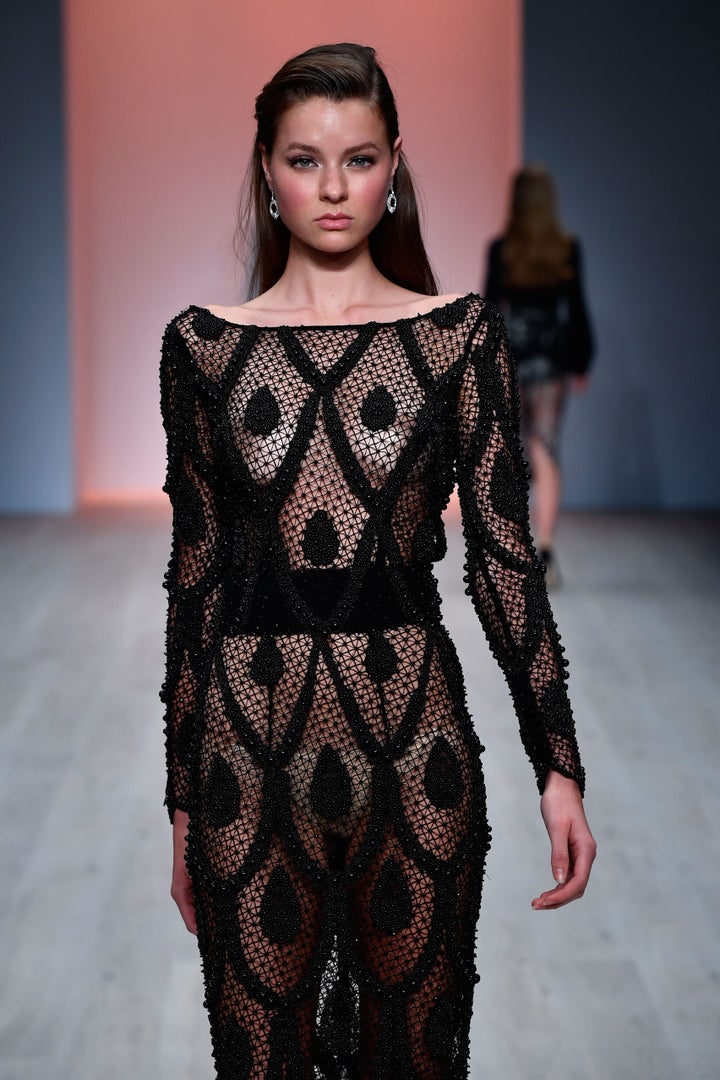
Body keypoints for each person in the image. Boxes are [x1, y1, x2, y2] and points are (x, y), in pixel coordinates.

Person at [160, 44, 596, 1079]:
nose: (332, 187)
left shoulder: (457, 340)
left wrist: (559, 765)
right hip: (242, 760)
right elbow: (197, 578)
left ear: (393, 165)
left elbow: (502, 562)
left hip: (418, 752)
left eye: (357, 159)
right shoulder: (204, 348)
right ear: (265, 169)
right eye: (304, 160)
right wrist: (180, 799)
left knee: (417, 1063)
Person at [484, 165, 595, 587]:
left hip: (511, 357)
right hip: (551, 360)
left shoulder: (503, 249)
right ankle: (544, 549)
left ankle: (515, 552)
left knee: (511, 453)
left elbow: (491, 310)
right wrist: (581, 360)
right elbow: (577, 309)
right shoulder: (566, 249)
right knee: (545, 450)